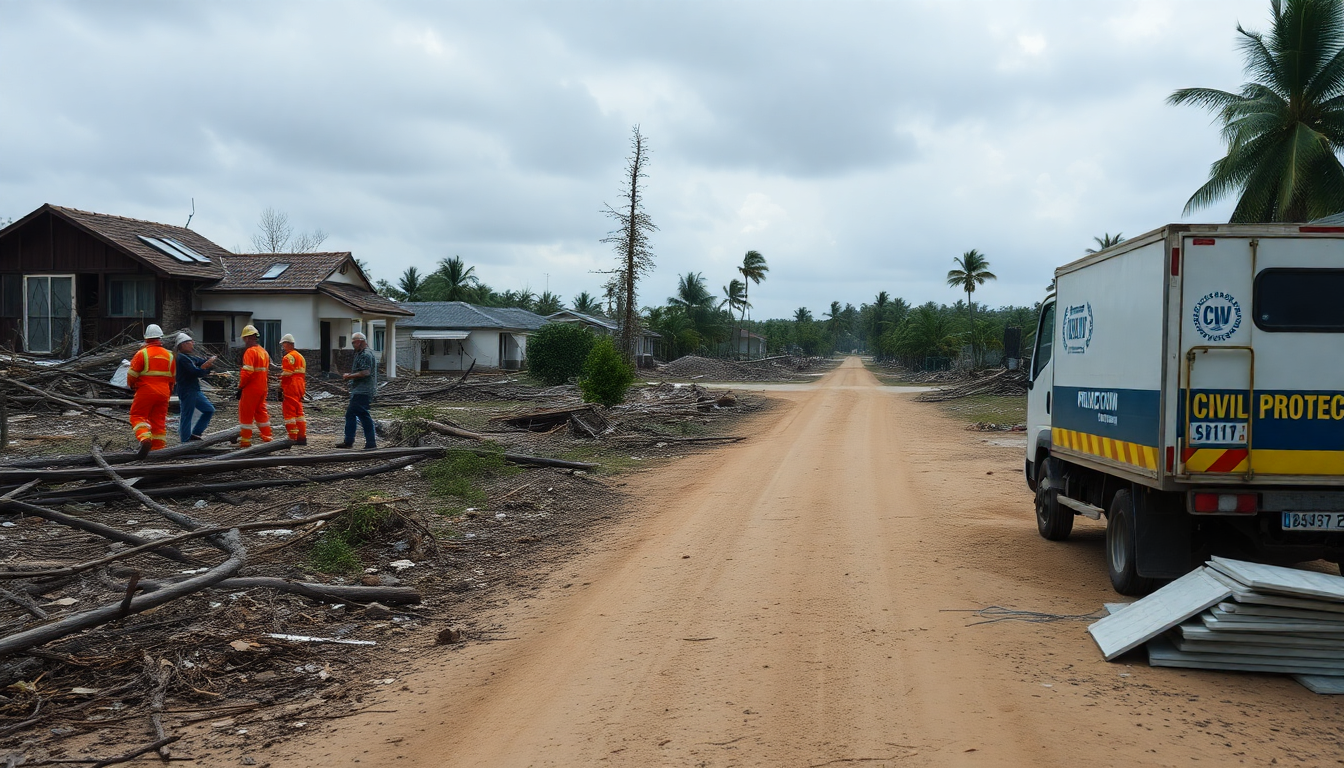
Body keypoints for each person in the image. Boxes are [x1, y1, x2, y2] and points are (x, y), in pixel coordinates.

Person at [127, 324, 176, 457]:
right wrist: (168, 393)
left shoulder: (142, 354)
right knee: (159, 421)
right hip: (164, 392)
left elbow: (132, 375)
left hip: (146, 391)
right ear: (160, 337)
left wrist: (132, 386)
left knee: (137, 416)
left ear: (146, 338)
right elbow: (172, 379)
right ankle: (158, 450)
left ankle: (145, 438)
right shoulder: (170, 355)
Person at [174, 333, 218, 443]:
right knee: (186, 415)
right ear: (183, 344)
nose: (192, 344)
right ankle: (185, 440)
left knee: (208, 409)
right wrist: (205, 368)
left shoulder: (188, 357)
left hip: (194, 389)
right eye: (190, 342)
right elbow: (195, 372)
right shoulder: (182, 358)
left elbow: (199, 361)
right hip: (187, 390)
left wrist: (207, 362)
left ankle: (196, 433)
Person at [337, 331, 377, 449]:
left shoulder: (365, 354)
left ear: (359, 342)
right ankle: (351, 440)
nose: (353, 345)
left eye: (354, 343)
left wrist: (349, 376)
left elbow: (365, 372)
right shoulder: (361, 354)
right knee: (353, 414)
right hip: (360, 389)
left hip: (363, 390)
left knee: (361, 414)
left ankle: (369, 442)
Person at [237, 324, 274, 447]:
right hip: (262, 387)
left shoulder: (250, 352)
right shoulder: (263, 351)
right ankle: (267, 437)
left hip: (251, 388)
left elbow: (247, 372)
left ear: (247, 338)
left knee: (246, 413)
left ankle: (245, 440)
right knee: (261, 411)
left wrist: (240, 386)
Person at [279, 333, 308, 445]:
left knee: (289, 413)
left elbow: (287, 374)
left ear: (287, 344)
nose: (283, 347)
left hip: (291, 386)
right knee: (299, 412)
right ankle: (302, 436)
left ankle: (292, 437)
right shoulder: (300, 357)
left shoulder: (288, 357)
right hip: (300, 386)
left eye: (283, 344)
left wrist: (281, 387)